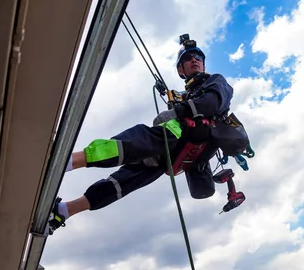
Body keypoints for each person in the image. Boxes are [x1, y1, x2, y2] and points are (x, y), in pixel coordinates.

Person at [48, 35, 249, 234]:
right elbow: (188, 105)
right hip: (177, 151)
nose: (194, 59)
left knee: (136, 139)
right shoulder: (185, 96)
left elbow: (212, 103)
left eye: (198, 57)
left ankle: (64, 162)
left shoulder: (216, 81)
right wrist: (175, 103)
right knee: (128, 179)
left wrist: (176, 111)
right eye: (188, 58)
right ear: (181, 70)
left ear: (203, 65)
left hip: (187, 137)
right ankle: (64, 211)